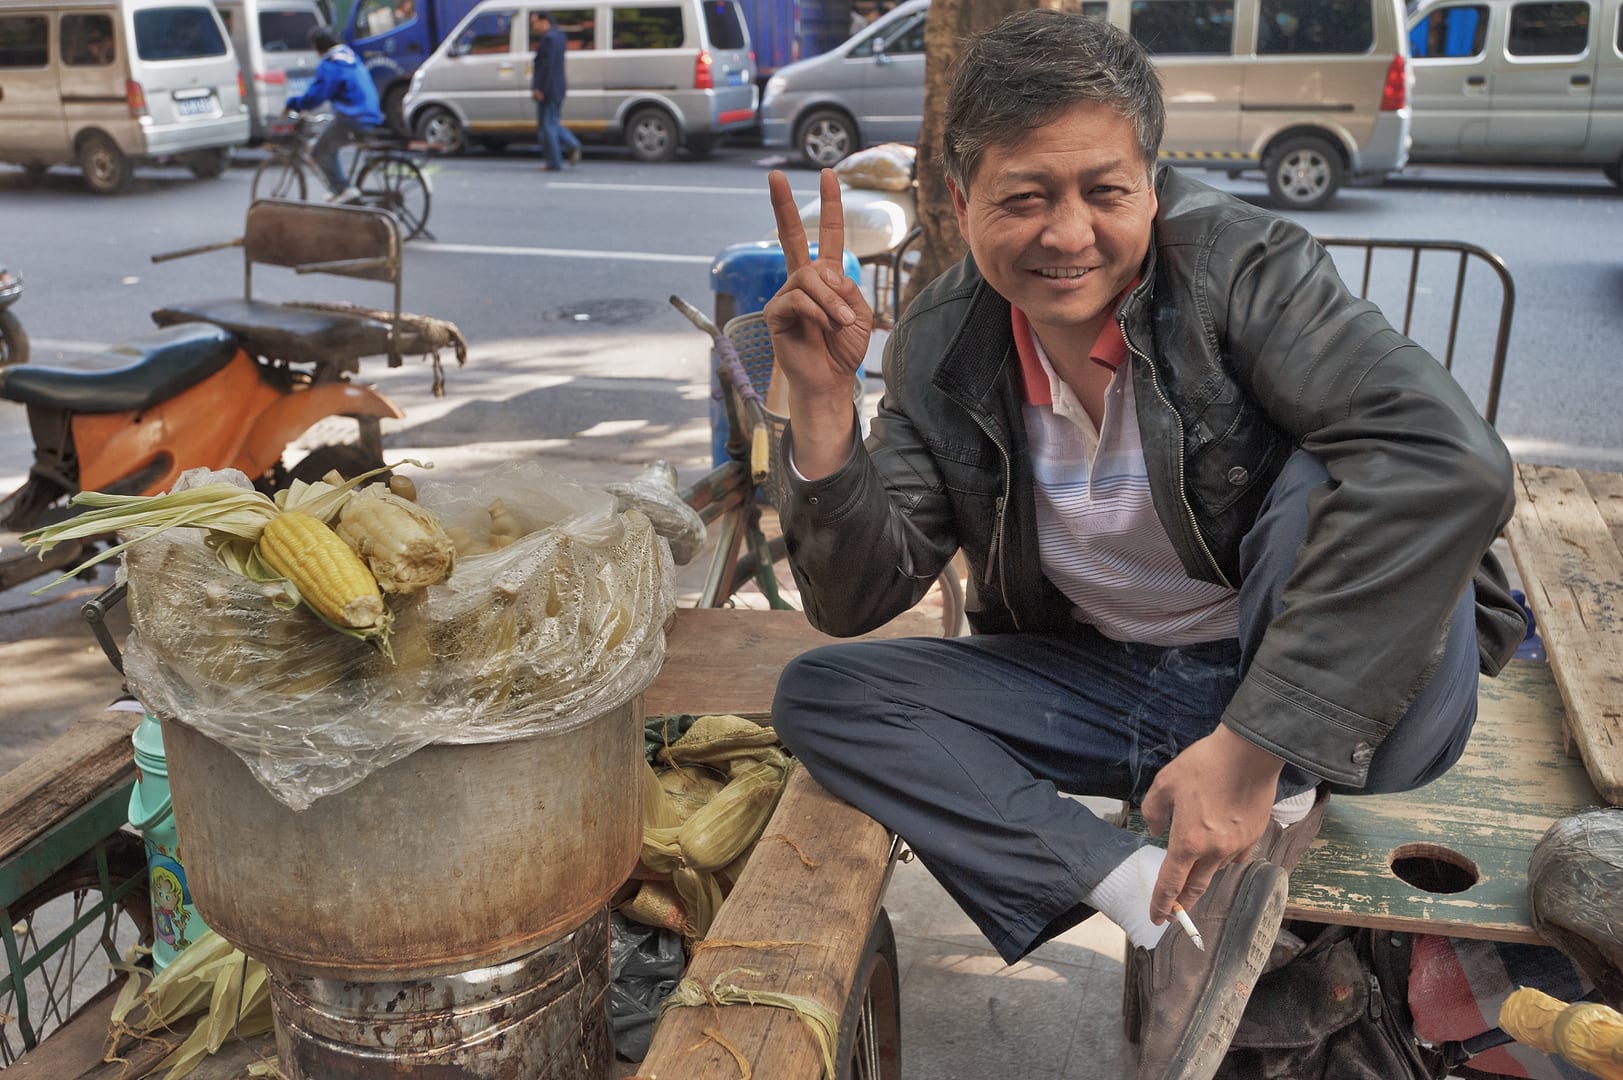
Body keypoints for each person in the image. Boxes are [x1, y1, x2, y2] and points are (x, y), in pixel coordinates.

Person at [763, 10, 1525, 1080]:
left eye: (1103, 193)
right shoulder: (943, 341)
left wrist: (1254, 744)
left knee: (1333, 476)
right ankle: (1138, 890)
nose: (1067, 234)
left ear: (1151, 186)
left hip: (1373, 703)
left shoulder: (1239, 266)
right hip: (1136, 690)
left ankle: (1273, 790)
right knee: (822, 696)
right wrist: (822, 406)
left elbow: (1454, 462)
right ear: (957, 200)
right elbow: (853, 594)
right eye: (1024, 197)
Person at [285, 27, 384, 203]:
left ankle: (343, 189)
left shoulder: (330, 64)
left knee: (319, 151)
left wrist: (295, 103)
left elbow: (316, 96)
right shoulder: (349, 56)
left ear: (318, 47)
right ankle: (340, 189)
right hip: (368, 115)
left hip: (354, 118)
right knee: (329, 145)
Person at [531, 11, 581, 171]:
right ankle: (572, 144)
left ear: (544, 21)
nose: (534, 28)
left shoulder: (548, 39)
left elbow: (547, 67)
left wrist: (540, 88)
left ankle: (554, 161)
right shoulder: (560, 36)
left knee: (547, 126)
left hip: (548, 88)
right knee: (552, 122)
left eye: (535, 23)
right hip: (558, 86)